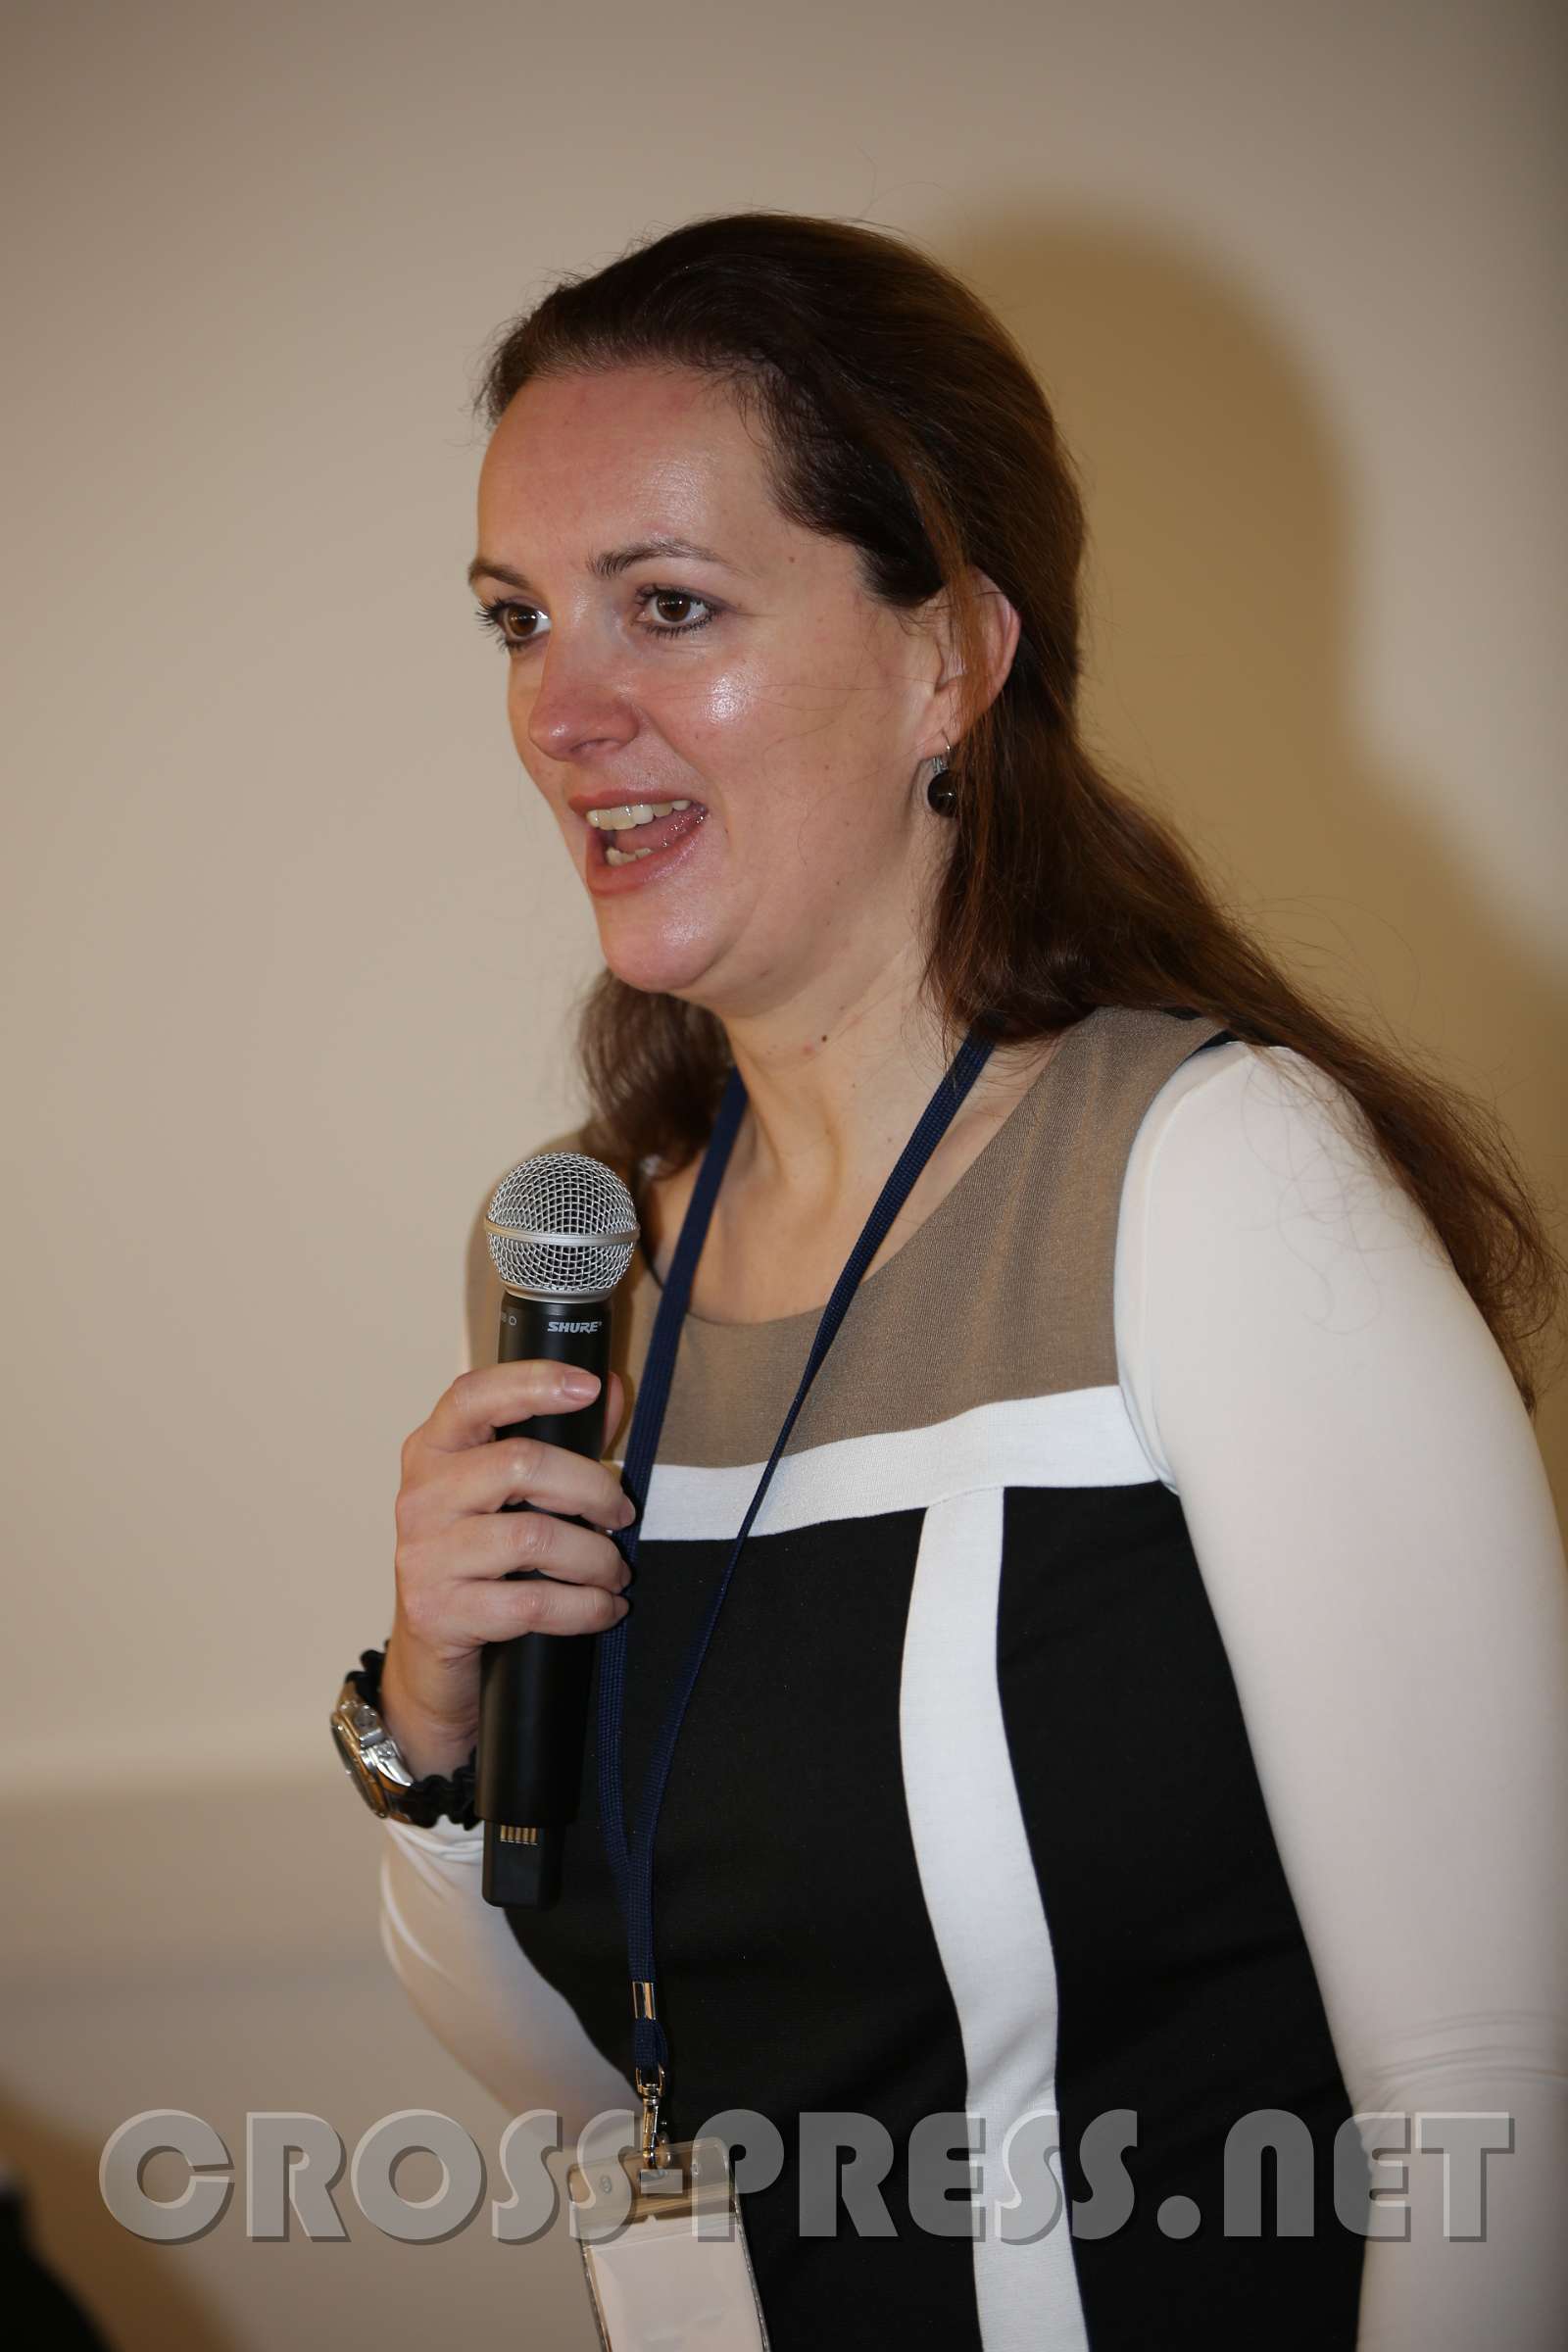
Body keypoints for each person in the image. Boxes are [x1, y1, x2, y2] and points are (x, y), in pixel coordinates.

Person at [333, 213, 1568, 2347]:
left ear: (949, 658)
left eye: (667, 606)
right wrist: (429, 1728)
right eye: (520, 619)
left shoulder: (1205, 1183)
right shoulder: (575, 1257)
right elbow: (603, 2092)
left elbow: (1494, 2090)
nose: (560, 710)